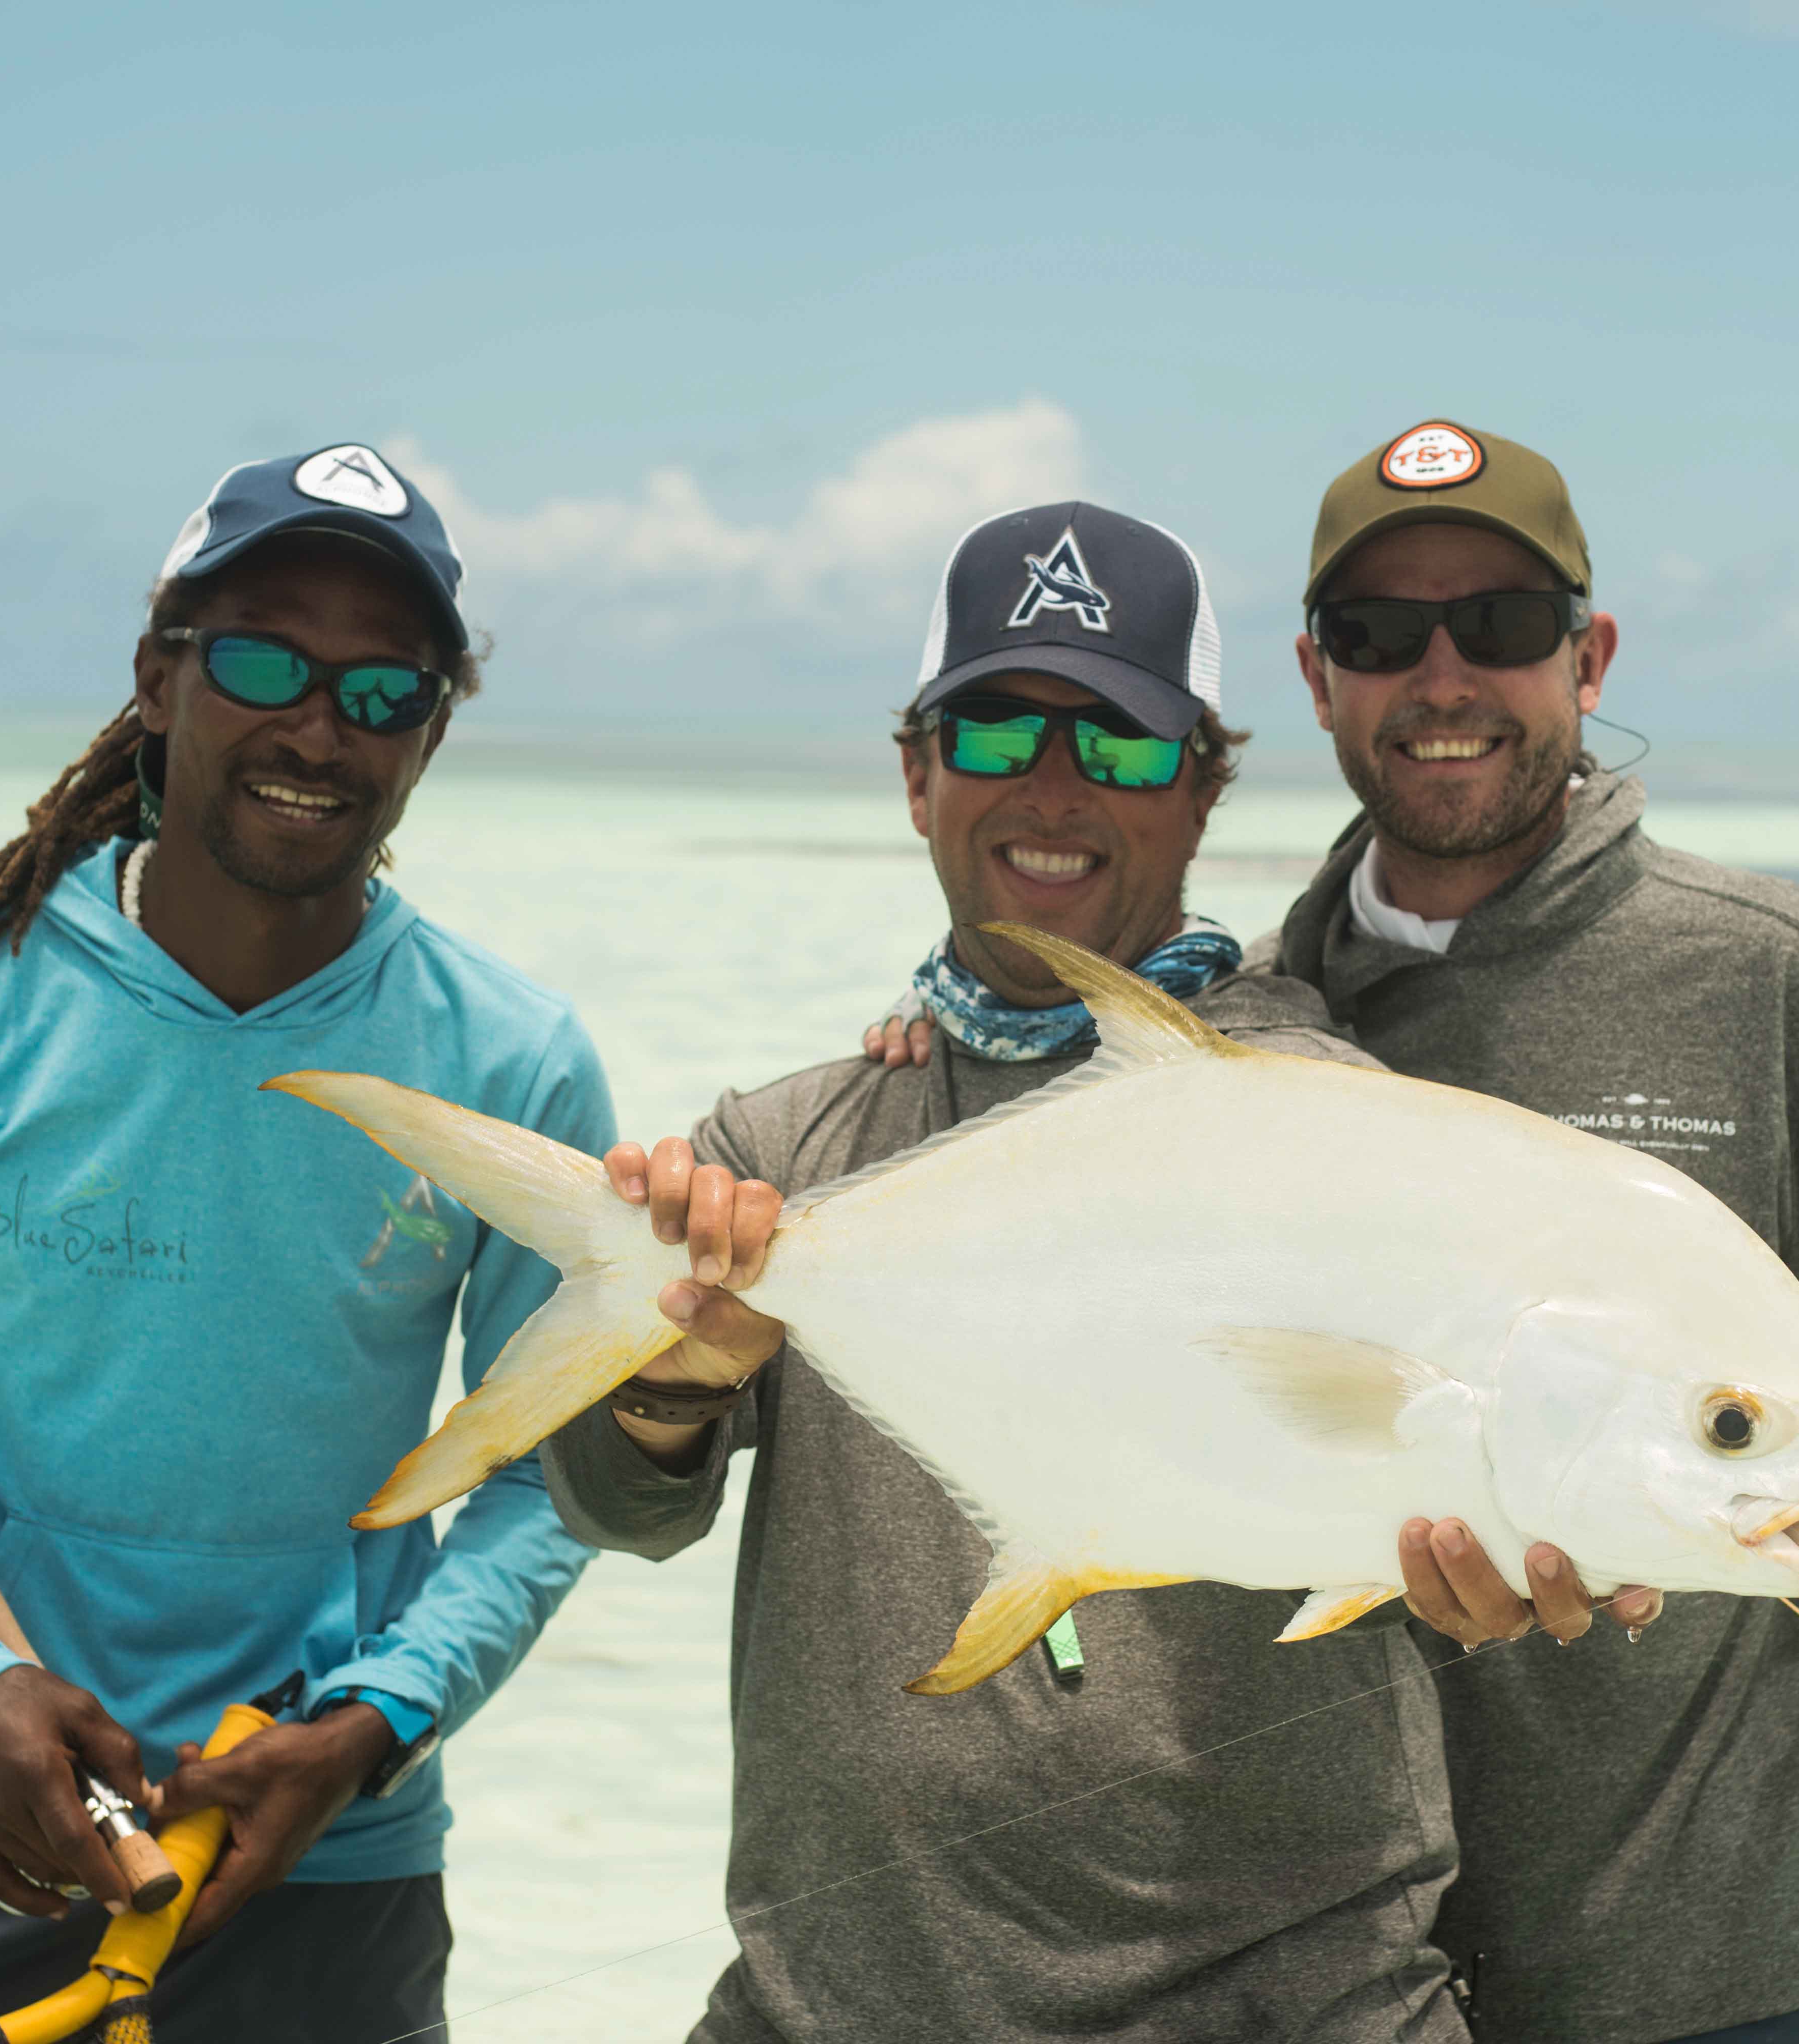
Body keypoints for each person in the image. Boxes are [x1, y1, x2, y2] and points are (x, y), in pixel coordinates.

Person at [542, 503, 1559, 2043]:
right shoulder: (787, 1144)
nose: (1056, 790)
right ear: (915, 774)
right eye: (997, 731)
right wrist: (674, 1387)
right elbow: (612, 1508)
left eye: (1128, 749)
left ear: (1208, 787)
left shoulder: (1350, 1131)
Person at [0, 445, 613, 2043]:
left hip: (327, 1869)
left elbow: (551, 1471)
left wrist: (378, 1720)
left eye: (383, 691)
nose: (317, 727)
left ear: (431, 732)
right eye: (267, 661)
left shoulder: (514, 1063)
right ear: (162, 677)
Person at [1272, 419, 1799, 2043]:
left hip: (1718, 1974)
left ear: (1589, 654)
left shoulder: (1768, 970)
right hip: (1319, 1971)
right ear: (1317, 676)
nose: (1443, 678)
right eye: (1381, 636)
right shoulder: (1260, 1022)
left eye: (1497, 625)